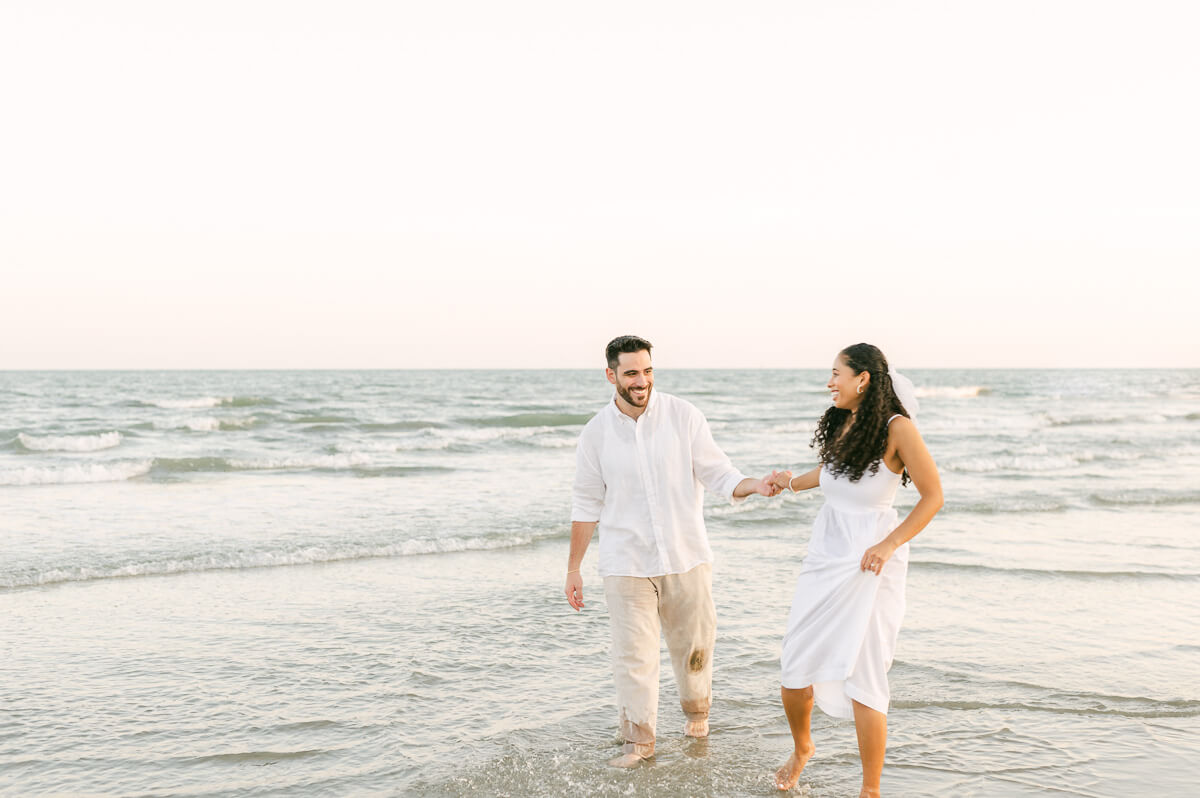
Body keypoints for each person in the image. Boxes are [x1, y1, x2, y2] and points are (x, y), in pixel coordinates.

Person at [564, 335, 780, 767]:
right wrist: (574, 568)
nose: (641, 381)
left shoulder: (684, 416)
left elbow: (718, 473)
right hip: (626, 563)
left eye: (646, 371)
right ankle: (639, 742)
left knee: (694, 649)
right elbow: (587, 504)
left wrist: (753, 485)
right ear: (611, 375)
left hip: (686, 556)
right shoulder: (595, 434)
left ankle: (697, 717)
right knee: (633, 656)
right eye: (630, 373)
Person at [768, 343, 943, 796]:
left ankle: (870, 790)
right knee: (794, 665)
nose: (830, 383)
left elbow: (933, 497)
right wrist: (786, 482)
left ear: (862, 378)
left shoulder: (898, 428)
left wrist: (888, 543)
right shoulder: (847, 425)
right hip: (825, 557)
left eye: (835, 374)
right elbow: (831, 474)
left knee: (865, 673)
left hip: (872, 563)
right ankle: (803, 747)